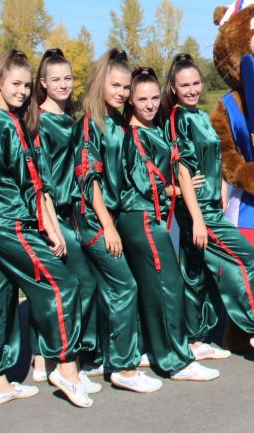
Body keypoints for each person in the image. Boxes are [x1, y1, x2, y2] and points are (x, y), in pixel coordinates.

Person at [0, 49, 92, 407]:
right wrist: (50, 229)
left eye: (25, 85)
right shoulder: (9, 124)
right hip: (9, 223)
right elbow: (31, 183)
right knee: (62, 285)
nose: (22, 92)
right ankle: (66, 369)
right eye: (16, 84)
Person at [161, 53, 254, 371]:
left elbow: (214, 158)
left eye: (195, 83)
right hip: (199, 211)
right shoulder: (177, 119)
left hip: (209, 204)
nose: (192, 89)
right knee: (249, 260)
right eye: (184, 85)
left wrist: (221, 190)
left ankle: (194, 340)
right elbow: (181, 170)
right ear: (173, 88)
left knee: (195, 274)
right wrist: (198, 220)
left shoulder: (200, 116)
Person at [117, 66, 219, 381]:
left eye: (153, 98)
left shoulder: (155, 129)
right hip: (142, 218)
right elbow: (148, 185)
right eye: (142, 99)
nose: (149, 105)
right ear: (130, 101)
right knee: (168, 285)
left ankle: (155, 349)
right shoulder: (134, 136)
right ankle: (175, 361)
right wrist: (178, 189)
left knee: (155, 287)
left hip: (153, 218)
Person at [73, 49, 162, 393]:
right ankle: (124, 369)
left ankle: (109, 357)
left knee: (112, 289)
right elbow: (88, 178)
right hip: (93, 220)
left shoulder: (115, 122)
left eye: (126, 87)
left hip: (109, 217)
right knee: (125, 286)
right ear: (101, 84)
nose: (122, 93)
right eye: (116, 86)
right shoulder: (90, 124)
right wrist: (108, 226)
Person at [29, 49, 102, 389]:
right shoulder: (40, 121)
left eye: (68, 78)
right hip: (53, 215)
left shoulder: (70, 118)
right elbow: (40, 178)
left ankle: (52, 357)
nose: (63, 84)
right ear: (43, 83)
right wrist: (51, 226)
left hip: (72, 213)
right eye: (55, 79)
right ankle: (64, 357)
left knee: (57, 288)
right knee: (80, 283)